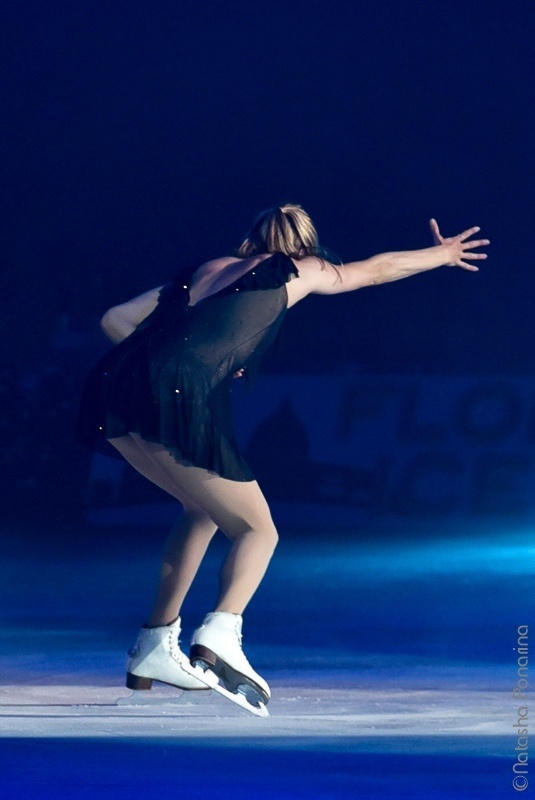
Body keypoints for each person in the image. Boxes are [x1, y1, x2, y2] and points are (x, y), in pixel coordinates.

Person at [75, 204, 489, 710]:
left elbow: (114, 319)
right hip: (176, 392)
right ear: (305, 244)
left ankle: (154, 645)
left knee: (201, 510)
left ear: (252, 237)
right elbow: (377, 269)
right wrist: (441, 255)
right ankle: (220, 634)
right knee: (259, 530)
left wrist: (171, 356)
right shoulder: (300, 268)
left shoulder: (205, 269)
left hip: (115, 384)